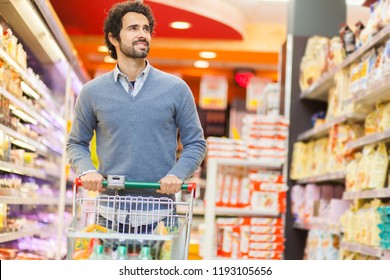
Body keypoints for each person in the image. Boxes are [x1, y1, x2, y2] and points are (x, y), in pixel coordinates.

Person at [66, 1, 207, 232]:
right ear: (113, 38)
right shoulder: (92, 92)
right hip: (108, 215)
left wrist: (177, 174)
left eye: (146, 29)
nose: (142, 34)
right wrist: (87, 170)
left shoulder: (176, 89)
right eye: (133, 28)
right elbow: (76, 143)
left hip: (159, 215)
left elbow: (196, 143)